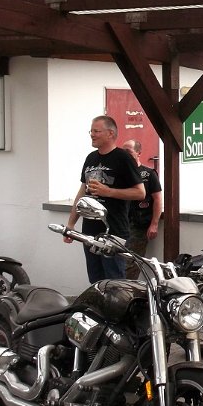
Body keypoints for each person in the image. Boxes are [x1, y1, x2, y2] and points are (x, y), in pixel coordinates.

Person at [66, 115, 145, 282]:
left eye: (96, 131)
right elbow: (82, 192)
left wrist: (108, 192)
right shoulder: (91, 158)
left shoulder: (123, 158)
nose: (92, 135)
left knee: (114, 281)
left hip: (113, 231)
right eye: (91, 131)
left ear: (110, 133)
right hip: (90, 230)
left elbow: (140, 193)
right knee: (96, 281)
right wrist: (71, 224)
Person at [121, 139, 163, 279]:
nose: (125, 154)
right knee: (117, 260)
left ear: (138, 153)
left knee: (131, 262)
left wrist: (154, 224)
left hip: (139, 225)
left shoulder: (149, 174)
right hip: (121, 224)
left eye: (128, 151)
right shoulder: (120, 173)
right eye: (123, 151)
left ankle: (128, 289)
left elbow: (158, 199)